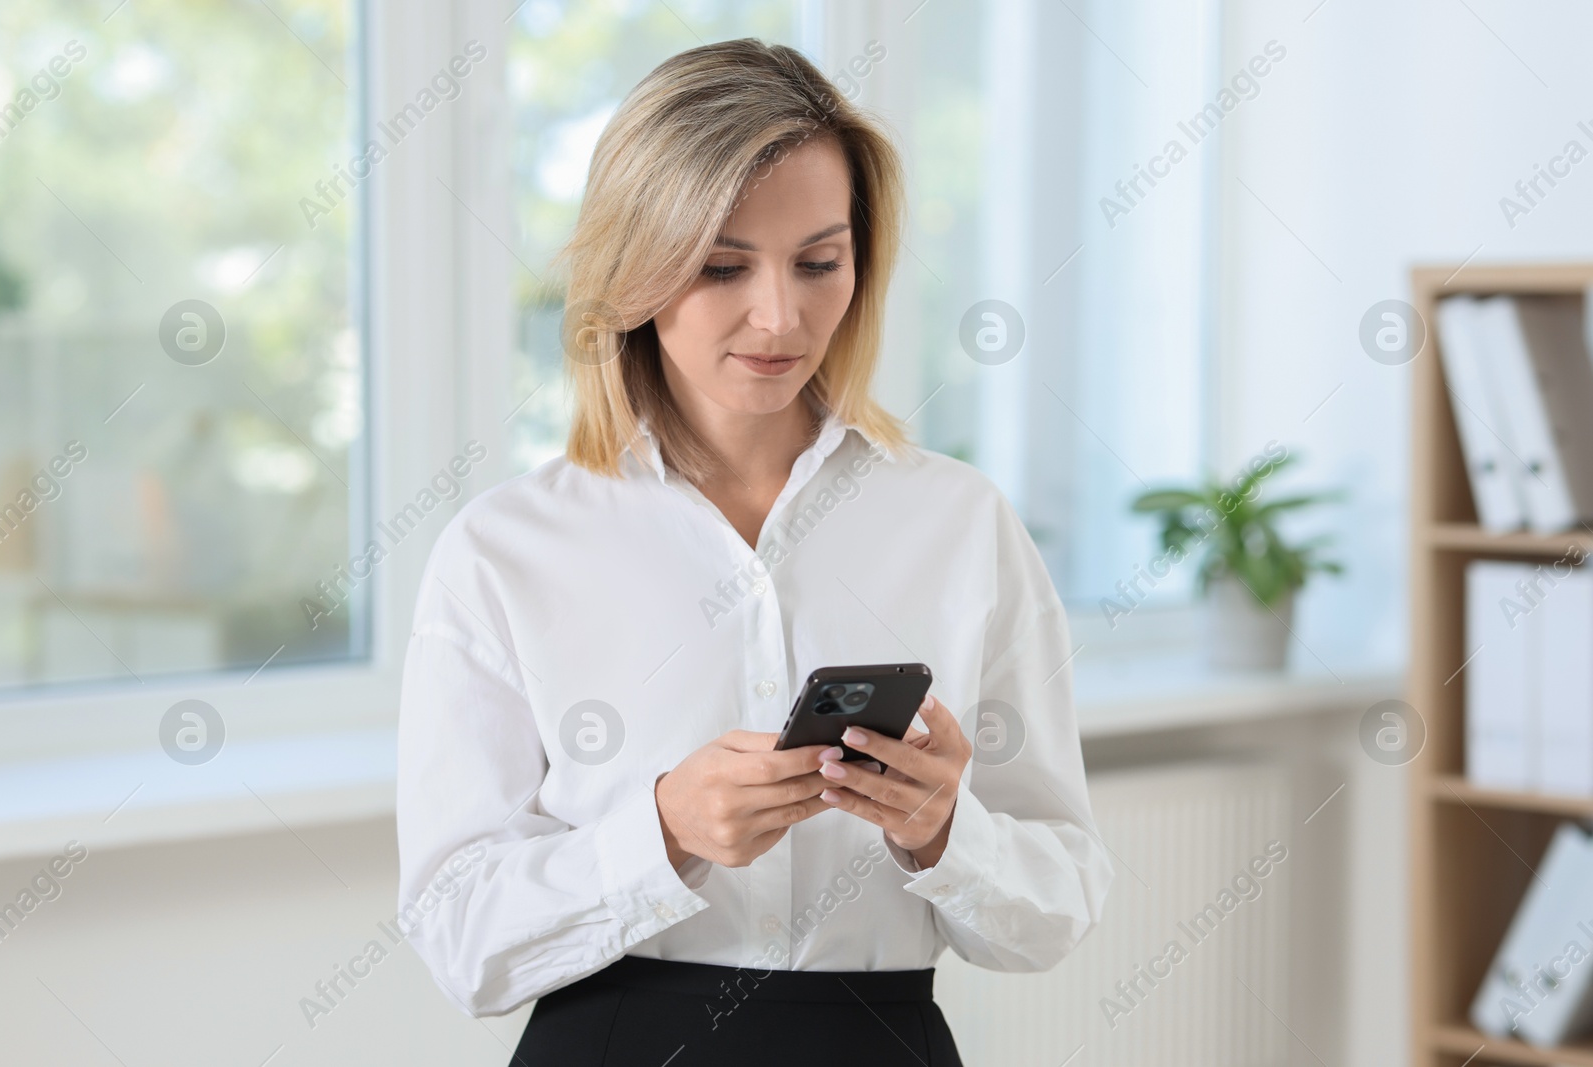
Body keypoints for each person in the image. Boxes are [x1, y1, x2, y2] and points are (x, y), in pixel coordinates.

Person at [395, 37, 1112, 1067]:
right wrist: (663, 832)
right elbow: (462, 941)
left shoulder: (958, 522)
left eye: (819, 261)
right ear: (633, 267)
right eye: (723, 264)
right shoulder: (505, 550)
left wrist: (942, 828)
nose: (780, 315)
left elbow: (1057, 904)